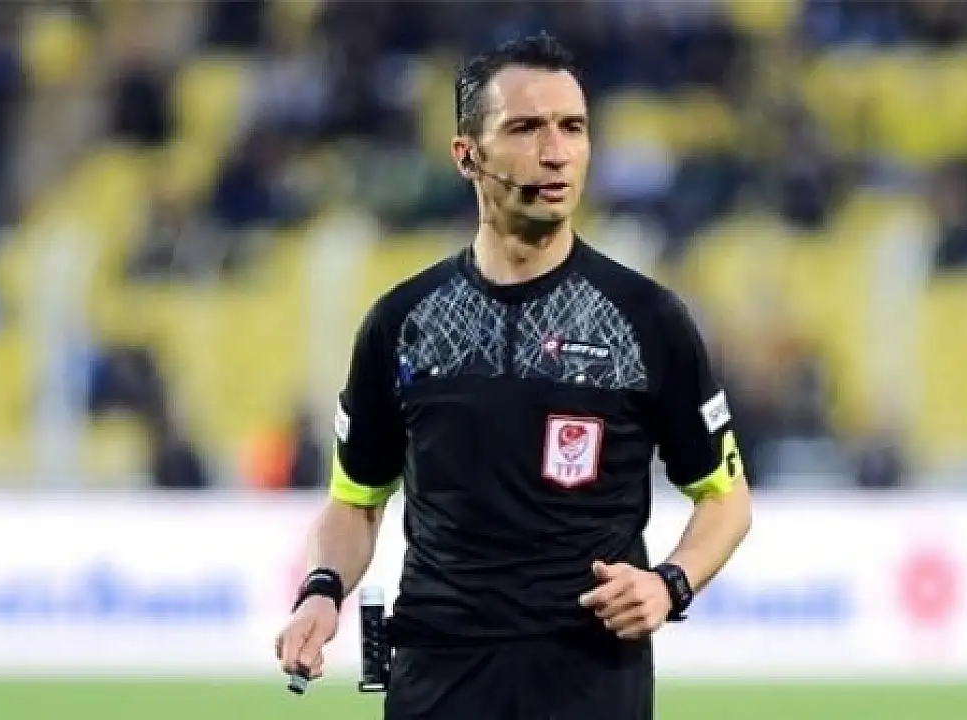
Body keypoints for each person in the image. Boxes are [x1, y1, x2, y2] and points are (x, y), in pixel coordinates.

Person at [274, 33, 753, 719]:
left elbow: (726, 500)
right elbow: (355, 501)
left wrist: (669, 583)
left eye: (572, 127)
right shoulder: (403, 323)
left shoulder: (645, 319)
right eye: (526, 128)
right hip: (438, 680)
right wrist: (321, 591)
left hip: (590, 682)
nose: (556, 152)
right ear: (467, 155)